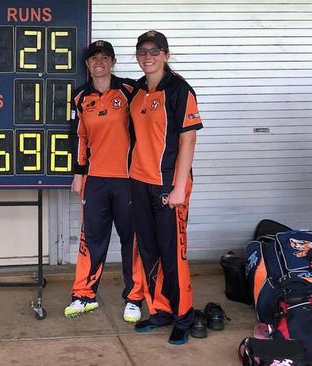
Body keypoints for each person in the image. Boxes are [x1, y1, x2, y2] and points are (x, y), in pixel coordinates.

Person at [128, 30, 203, 345]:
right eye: (143, 51)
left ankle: (183, 317)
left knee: (174, 255)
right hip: (139, 182)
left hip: (169, 186)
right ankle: (159, 311)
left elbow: (188, 139)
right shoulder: (136, 91)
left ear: (167, 55)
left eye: (155, 51)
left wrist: (179, 187)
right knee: (148, 251)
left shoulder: (179, 90)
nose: (148, 56)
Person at [65, 40, 146, 322]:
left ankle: (135, 297)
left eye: (104, 57)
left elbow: (149, 124)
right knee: (92, 239)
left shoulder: (129, 90)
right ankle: (83, 295)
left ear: (112, 62)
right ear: (87, 64)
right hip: (96, 181)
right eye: (93, 58)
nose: (98, 62)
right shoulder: (79, 97)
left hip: (128, 180)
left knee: (131, 239)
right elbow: (79, 138)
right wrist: (78, 174)